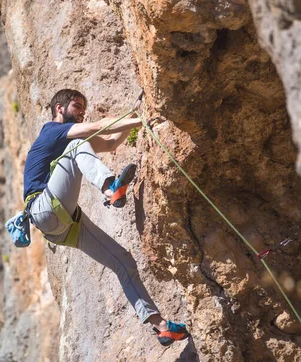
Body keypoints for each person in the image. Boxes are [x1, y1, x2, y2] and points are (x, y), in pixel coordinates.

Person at [23, 89, 188, 346]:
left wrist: (134, 116)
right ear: (59, 108)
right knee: (77, 145)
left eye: (82, 108)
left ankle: (162, 327)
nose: (81, 113)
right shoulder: (51, 132)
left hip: (61, 227)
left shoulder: (66, 142)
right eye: (77, 106)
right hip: (43, 206)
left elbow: (110, 142)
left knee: (123, 261)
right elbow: (100, 125)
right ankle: (111, 189)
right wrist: (144, 117)